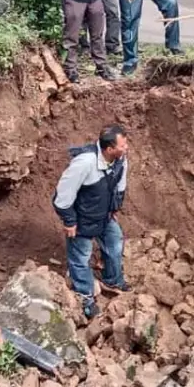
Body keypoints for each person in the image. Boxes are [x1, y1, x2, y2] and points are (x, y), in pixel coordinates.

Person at [53, 124, 130, 317]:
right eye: (123, 145)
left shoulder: (120, 160)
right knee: (80, 258)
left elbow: (120, 185)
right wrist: (69, 221)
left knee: (115, 241)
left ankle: (112, 280)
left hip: (103, 214)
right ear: (109, 149)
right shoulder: (84, 163)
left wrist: (114, 207)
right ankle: (85, 298)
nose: (126, 147)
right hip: (83, 219)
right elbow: (62, 195)